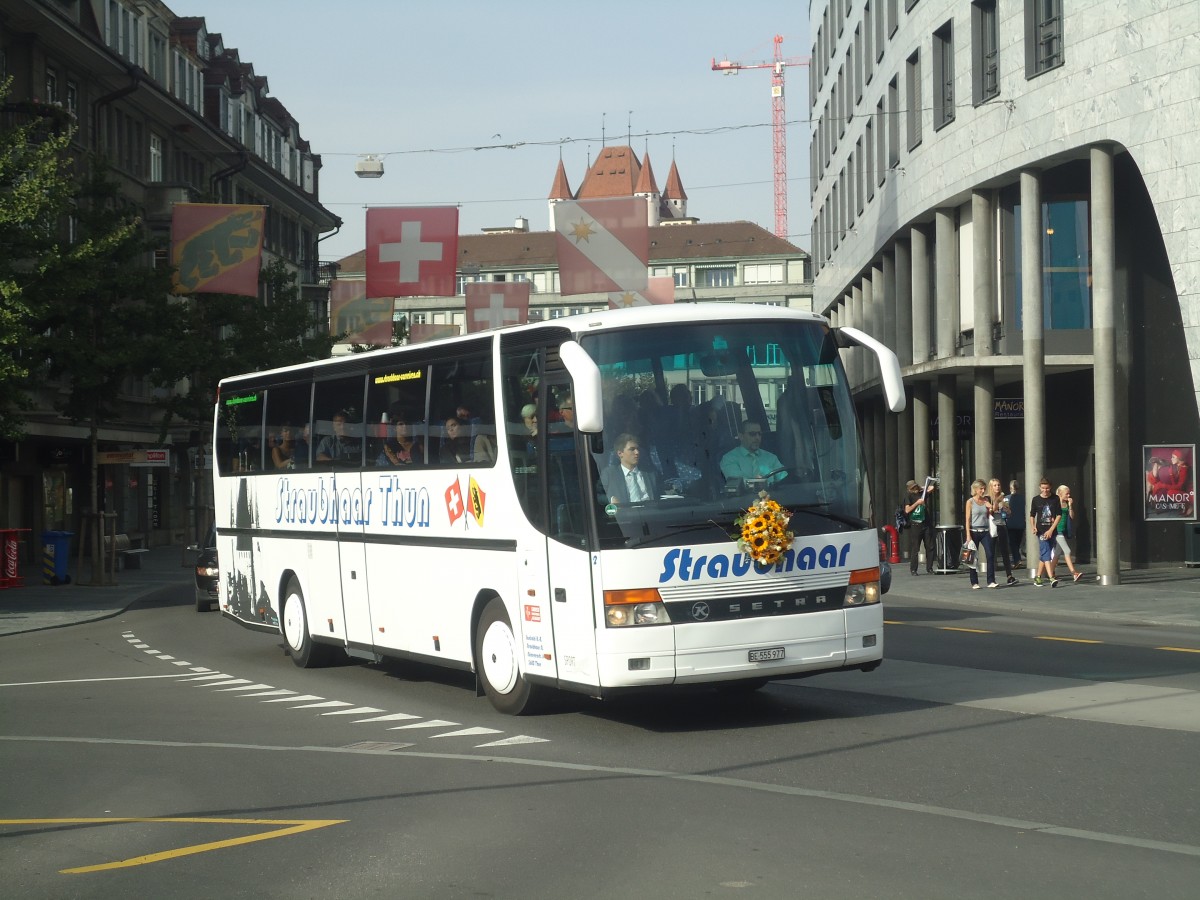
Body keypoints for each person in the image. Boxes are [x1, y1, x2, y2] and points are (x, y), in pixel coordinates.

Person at [720, 419, 785, 487]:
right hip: (743, 497)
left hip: (772, 497)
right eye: (752, 434)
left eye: (759, 434)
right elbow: (738, 483)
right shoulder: (729, 459)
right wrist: (760, 483)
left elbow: (785, 480)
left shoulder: (771, 458)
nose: (757, 437)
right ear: (741, 436)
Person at [602, 433, 657, 505]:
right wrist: (611, 500)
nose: (637, 452)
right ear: (620, 453)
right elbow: (598, 496)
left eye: (637, 449)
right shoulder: (609, 474)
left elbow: (661, 494)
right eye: (632, 449)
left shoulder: (650, 473)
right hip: (624, 515)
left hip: (650, 513)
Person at [964, 479, 997, 590]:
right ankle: (974, 582)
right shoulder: (970, 502)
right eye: (981, 489)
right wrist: (968, 535)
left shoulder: (986, 500)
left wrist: (990, 507)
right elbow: (967, 519)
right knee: (973, 557)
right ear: (975, 489)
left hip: (985, 531)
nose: (983, 491)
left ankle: (991, 580)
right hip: (974, 531)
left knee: (990, 554)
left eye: (984, 489)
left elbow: (991, 514)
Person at [1029, 478, 1062, 587]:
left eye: (1047, 488)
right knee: (1046, 553)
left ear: (1050, 487)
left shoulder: (1055, 499)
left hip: (1052, 530)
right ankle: (1051, 577)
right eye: (1043, 488)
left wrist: (1052, 529)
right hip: (1041, 530)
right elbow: (1032, 515)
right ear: (1040, 487)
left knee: (1044, 553)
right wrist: (1033, 527)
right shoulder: (1035, 499)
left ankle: (1038, 577)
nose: (1045, 490)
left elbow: (1059, 515)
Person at [1050, 484, 1084, 583]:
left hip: (1063, 531)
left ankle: (1050, 573)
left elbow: (1072, 516)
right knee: (1067, 551)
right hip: (1057, 531)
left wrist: (1070, 506)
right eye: (1066, 493)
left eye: (1069, 493)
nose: (1068, 495)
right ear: (1060, 494)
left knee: (1056, 554)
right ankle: (1074, 573)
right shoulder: (1056, 503)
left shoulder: (1066, 504)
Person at [902, 478, 935, 575]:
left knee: (930, 546)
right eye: (913, 488)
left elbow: (932, 487)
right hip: (916, 524)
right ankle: (913, 569)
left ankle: (929, 568)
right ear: (909, 489)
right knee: (915, 548)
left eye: (915, 486)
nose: (915, 489)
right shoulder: (908, 496)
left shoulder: (922, 493)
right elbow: (907, 510)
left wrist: (922, 488)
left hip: (926, 523)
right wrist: (917, 503)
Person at [989, 477, 1018, 585]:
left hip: (1001, 524)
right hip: (992, 526)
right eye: (995, 485)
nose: (997, 487)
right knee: (991, 552)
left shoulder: (1004, 499)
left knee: (1005, 551)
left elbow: (1009, 513)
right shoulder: (988, 498)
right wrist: (997, 501)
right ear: (991, 487)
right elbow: (990, 512)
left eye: (999, 485)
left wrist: (1007, 510)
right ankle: (991, 578)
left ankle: (1009, 576)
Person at [1006, 479, 1025, 566]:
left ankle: (1017, 559)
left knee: (1012, 543)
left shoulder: (1007, 498)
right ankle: (1017, 558)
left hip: (1010, 524)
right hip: (1021, 524)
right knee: (1017, 543)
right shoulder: (1023, 498)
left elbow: (1005, 512)